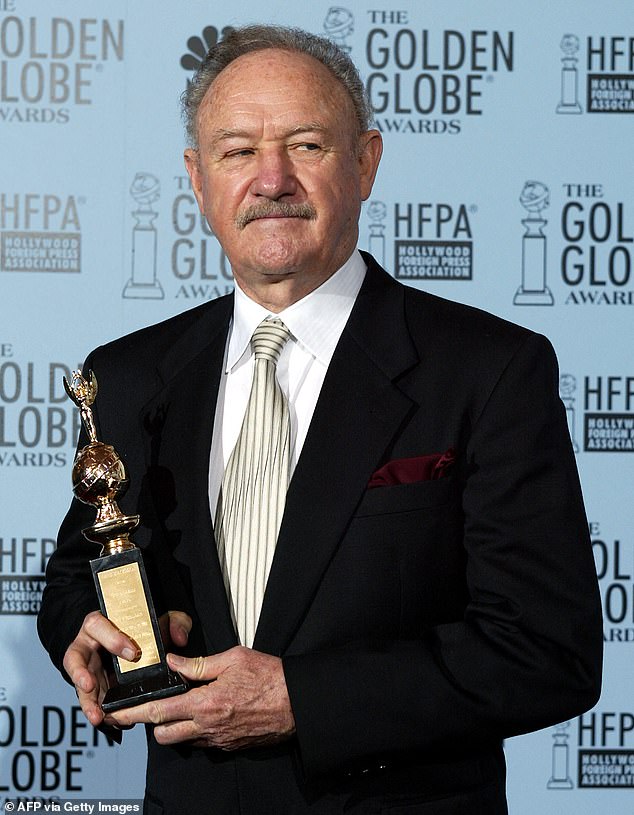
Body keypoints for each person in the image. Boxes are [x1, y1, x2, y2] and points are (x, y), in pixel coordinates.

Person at [38, 24, 602, 815]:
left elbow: (547, 651)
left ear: (366, 162)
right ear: (199, 182)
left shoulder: (489, 369)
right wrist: (87, 631)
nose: (272, 180)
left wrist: (302, 697)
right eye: (237, 152)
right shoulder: (130, 375)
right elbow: (74, 573)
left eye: (306, 145)